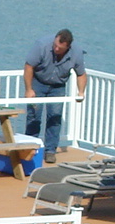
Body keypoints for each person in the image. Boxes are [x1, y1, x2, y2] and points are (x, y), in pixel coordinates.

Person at [22, 29, 87, 163]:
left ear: (68, 47)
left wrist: (81, 92)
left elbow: (81, 73)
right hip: (38, 82)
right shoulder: (42, 45)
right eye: (55, 45)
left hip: (58, 86)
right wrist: (29, 89)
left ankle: (50, 151)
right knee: (34, 117)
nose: (56, 49)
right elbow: (29, 66)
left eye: (60, 48)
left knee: (55, 118)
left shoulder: (76, 52)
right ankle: (29, 149)